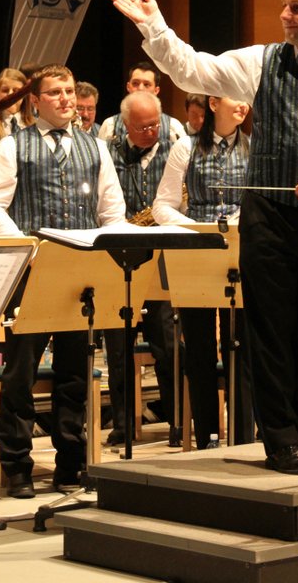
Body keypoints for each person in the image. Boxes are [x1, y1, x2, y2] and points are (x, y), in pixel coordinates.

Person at [111, 0, 298, 475]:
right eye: (285, 4)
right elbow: (193, 71)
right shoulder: (261, 61)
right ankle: (282, 439)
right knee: (270, 331)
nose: (285, 15)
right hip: (268, 216)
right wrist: (155, 28)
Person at [0, 65, 125, 497]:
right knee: (20, 372)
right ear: (35, 100)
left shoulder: (96, 147)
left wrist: (108, 250)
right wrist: (24, 246)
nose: (66, 99)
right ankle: (17, 465)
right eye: (55, 92)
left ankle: (70, 463)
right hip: (31, 271)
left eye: (69, 91)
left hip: (80, 271)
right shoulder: (11, 146)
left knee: (74, 371)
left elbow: (111, 209)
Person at [152, 95, 255, 448]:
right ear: (213, 103)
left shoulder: (254, 148)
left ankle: (243, 440)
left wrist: (242, 221)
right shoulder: (186, 146)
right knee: (199, 349)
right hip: (195, 253)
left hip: (242, 251)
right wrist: (197, 230)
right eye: (235, 98)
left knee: (242, 348)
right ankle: (206, 438)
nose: (243, 105)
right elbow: (163, 206)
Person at [104, 90, 180, 445]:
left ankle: (176, 421)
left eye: (154, 125)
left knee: (167, 347)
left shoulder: (175, 151)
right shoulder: (108, 153)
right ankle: (123, 425)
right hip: (119, 258)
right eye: (141, 127)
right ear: (124, 125)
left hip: (162, 260)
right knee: (118, 348)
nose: (150, 132)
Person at [97, 61, 186, 144]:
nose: (140, 88)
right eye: (135, 83)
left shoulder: (173, 127)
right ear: (128, 87)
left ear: (156, 90)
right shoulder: (110, 125)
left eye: (146, 84)